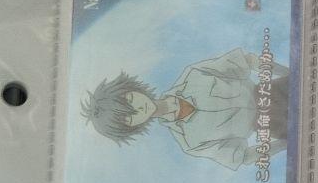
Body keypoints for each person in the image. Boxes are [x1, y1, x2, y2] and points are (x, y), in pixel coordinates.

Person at [80, 47, 288, 171]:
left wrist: (290, 74)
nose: (138, 108)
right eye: (128, 118)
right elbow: (244, 157)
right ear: (131, 127)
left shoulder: (193, 75)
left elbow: (247, 61)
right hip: (280, 127)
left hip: (281, 88)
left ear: (132, 88)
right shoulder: (190, 143)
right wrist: (286, 143)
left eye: (130, 99)